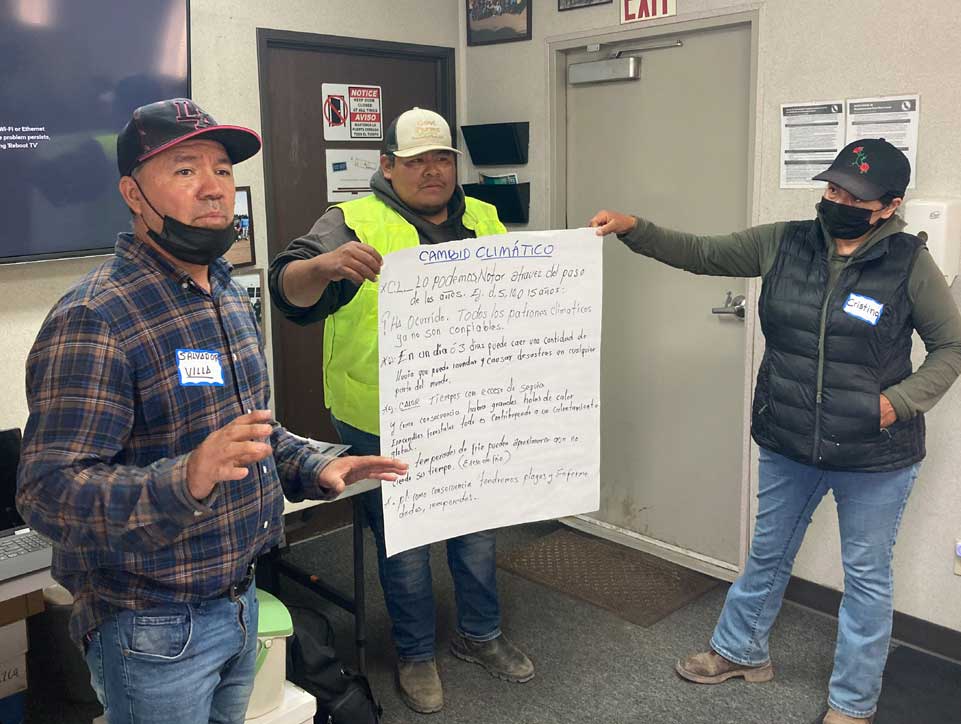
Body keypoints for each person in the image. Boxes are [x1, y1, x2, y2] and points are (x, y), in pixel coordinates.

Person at [16, 98, 407, 724]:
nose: (212, 189)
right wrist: (186, 478)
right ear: (132, 193)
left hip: (239, 595)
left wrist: (319, 464)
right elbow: (46, 494)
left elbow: (249, 434)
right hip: (151, 627)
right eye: (184, 170)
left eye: (222, 170)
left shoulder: (222, 290)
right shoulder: (96, 317)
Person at [590, 138, 961, 724]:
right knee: (767, 552)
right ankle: (741, 652)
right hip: (789, 438)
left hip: (875, 453)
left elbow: (951, 346)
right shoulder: (785, 242)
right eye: (833, 188)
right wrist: (638, 228)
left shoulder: (909, 265)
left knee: (866, 576)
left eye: (854, 196)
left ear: (889, 206)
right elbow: (703, 253)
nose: (836, 200)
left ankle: (853, 702)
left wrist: (898, 403)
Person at [268, 107, 534, 714]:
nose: (432, 171)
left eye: (441, 158)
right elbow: (288, 284)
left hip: (468, 407)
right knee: (405, 543)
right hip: (379, 413)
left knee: (474, 530)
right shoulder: (352, 221)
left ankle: (480, 636)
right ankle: (415, 654)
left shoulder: (485, 220)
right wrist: (322, 266)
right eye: (416, 160)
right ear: (387, 165)